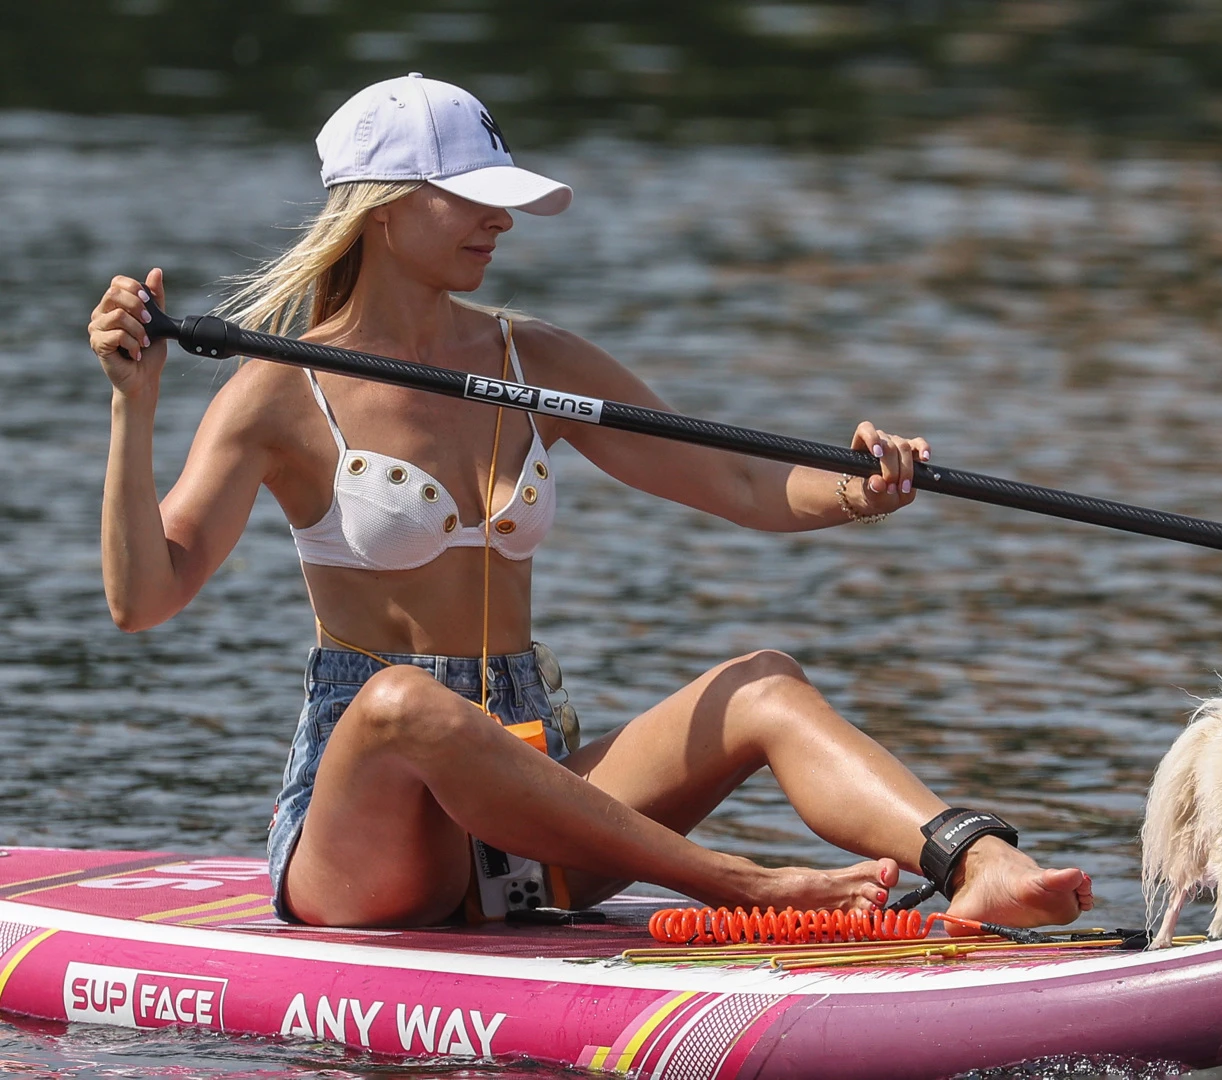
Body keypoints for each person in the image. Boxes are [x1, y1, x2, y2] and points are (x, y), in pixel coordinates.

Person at [86, 74, 1093, 929]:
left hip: (534, 796)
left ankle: (976, 864)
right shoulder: (276, 394)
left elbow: (737, 480)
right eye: (470, 198)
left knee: (763, 684)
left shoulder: (536, 360)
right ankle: (744, 885)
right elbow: (146, 598)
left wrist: (860, 488)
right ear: (382, 209)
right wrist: (136, 409)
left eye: (503, 197)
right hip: (371, 838)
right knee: (405, 705)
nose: (500, 220)